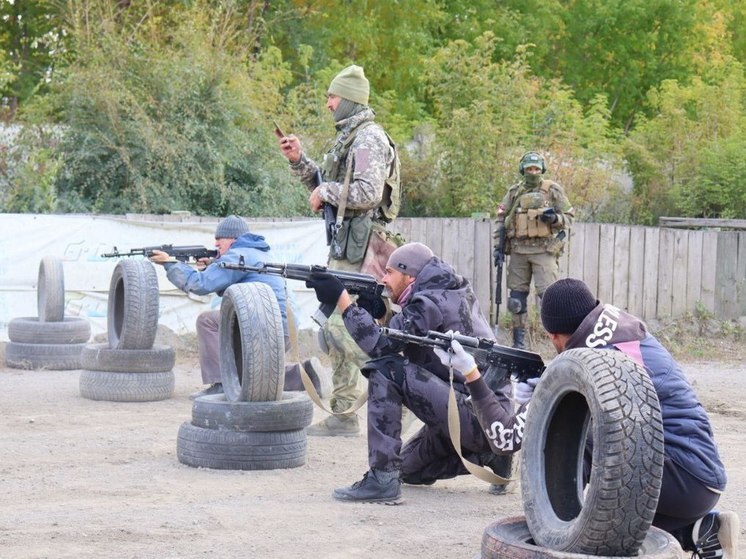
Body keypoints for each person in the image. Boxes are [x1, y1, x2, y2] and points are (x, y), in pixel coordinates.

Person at [444, 277, 738, 558]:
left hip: (676, 476)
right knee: (618, 508)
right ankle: (698, 530)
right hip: (700, 478)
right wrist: (545, 387)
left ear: (554, 336)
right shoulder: (623, 330)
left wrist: (471, 374)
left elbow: (505, 438)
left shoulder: (588, 365)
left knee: (567, 439)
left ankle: (550, 540)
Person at [304, 242, 516, 503]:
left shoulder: (430, 301)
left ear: (410, 275)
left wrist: (344, 302)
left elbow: (381, 348)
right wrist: (381, 313)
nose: (383, 278)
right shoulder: (443, 291)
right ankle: (492, 454)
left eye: (390, 272)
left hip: (475, 413)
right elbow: (407, 333)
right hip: (485, 418)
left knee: (386, 369)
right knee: (407, 470)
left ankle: (382, 479)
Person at [278, 64, 400, 436]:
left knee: (341, 329)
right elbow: (329, 188)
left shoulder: (368, 138)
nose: (328, 104)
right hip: (348, 246)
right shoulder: (350, 138)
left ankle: (405, 377)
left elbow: (367, 193)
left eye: (332, 97)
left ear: (348, 100)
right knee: (335, 327)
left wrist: (325, 191)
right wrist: (300, 162)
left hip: (367, 250)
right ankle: (343, 413)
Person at [149, 215, 321, 399]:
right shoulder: (258, 253)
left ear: (234, 239)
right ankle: (304, 376)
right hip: (284, 330)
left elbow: (199, 284)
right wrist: (214, 265)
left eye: (219, 239)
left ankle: (220, 383)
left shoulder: (237, 255)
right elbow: (236, 282)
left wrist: (169, 264)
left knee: (207, 321)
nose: (216, 244)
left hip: (263, 326)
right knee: (244, 376)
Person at [494, 151, 574, 349]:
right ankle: (519, 344)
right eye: (529, 168)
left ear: (542, 170)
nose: (533, 172)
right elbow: (501, 220)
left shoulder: (552, 190)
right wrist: (498, 247)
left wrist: (554, 219)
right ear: (523, 169)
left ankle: (558, 342)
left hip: (544, 251)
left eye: (536, 169)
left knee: (550, 298)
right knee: (516, 300)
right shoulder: (514, 192)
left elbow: (569, 217)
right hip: (518, 251)